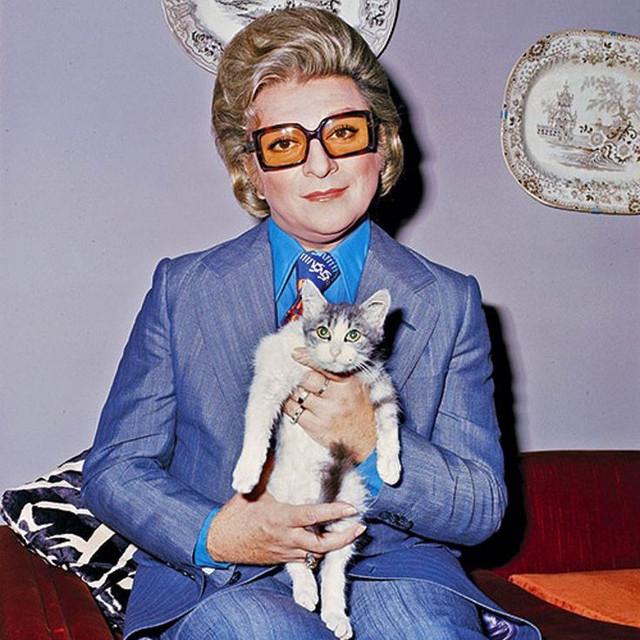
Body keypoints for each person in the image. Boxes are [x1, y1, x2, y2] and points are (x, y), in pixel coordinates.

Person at [82, 8, 540, 640]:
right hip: (225, 575)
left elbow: (481, 507)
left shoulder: (449, 302)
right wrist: (216, 533)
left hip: (390, 567)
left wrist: (370, 440)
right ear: (250, 168)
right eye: (285, 143)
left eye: (343, 133)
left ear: (383, 146)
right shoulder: (183, 290)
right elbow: (114, 468)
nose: (320, 165)